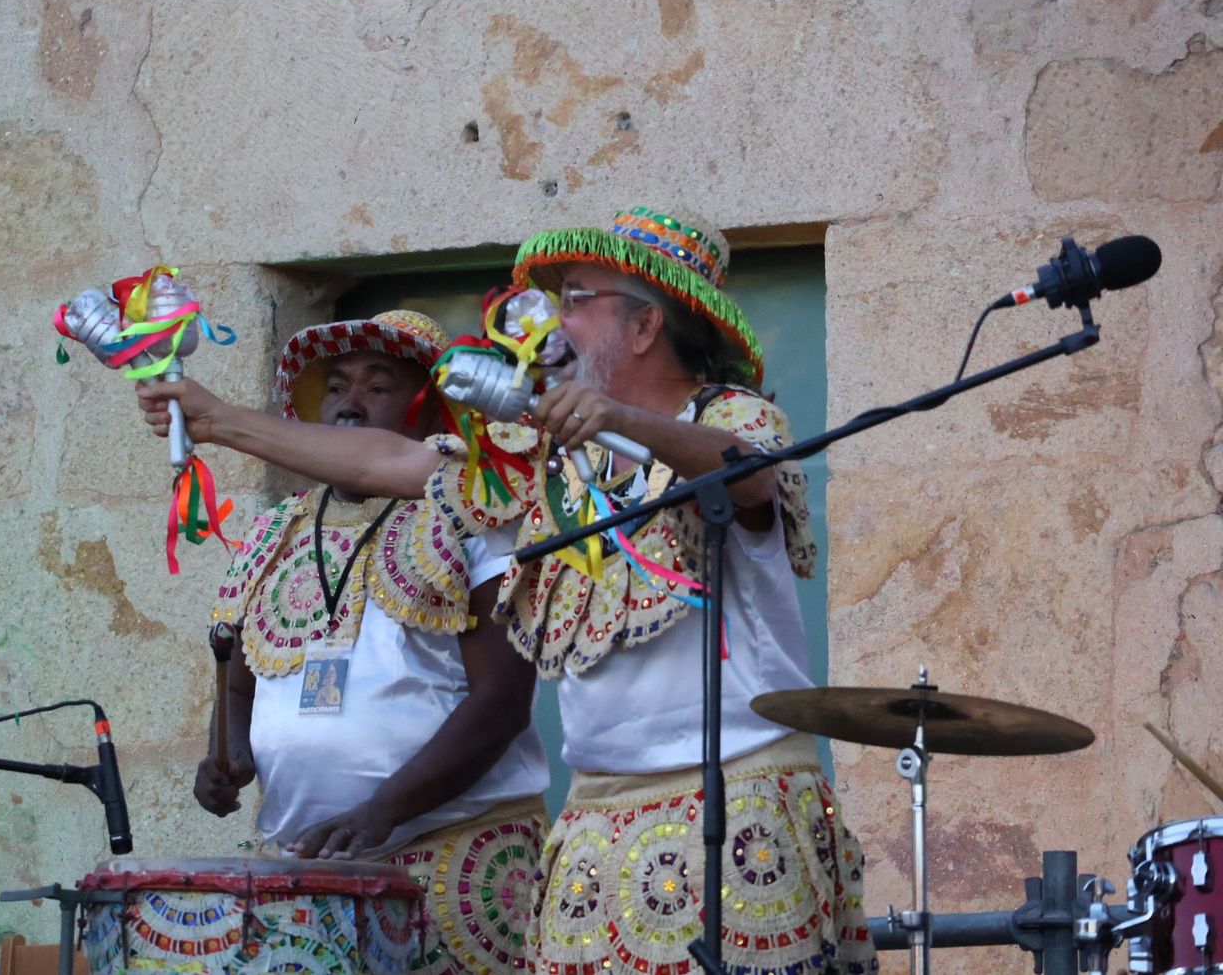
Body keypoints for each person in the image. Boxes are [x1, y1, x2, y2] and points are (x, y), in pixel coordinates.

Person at [137, 210, 878, 975]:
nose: (554, 320)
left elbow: (750, 472)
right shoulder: (538, 460)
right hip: (593, 816)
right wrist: (218, 420)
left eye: (577, 298)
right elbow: (384, 460)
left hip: (738, 802)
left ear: (645, 324)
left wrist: (620, 419)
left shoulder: (729, 418)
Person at [177, 310, 551, 975]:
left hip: (451, 861)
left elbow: (502, 700)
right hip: (307, 875)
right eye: (338, 384)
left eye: (377, 384)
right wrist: (232, 754)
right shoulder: (277, 531)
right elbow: (242, 682)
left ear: (427, 405)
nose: (350, 400)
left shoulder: (474, 512)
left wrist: (385, 808)